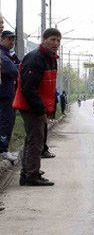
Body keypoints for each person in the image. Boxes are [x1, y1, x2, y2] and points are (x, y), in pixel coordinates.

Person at [12, 28, 61, 186]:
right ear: (44, 39)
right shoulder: (36, 58)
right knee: (36, 142)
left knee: (33, 140)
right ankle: (31, 176)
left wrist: (50, 108)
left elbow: (48, 87)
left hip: (38, 106)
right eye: (52, 40)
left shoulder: (50, 58)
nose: (55, 43)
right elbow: (28, 88)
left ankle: (27, 173)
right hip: (30, 107)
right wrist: (40, 110)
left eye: (58, 40)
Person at [0, 29, 21, 163]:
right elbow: (14, 70)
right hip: (4, 94)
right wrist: (18, 66)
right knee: (5, 121)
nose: (12, 42)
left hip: (9, 93)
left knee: (8, 121)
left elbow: (20, 65)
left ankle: (4, 148)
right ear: (2, 39)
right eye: (9, 39)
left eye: (13, 39)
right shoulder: (2, 55)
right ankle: (2, 150)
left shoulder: (10, 54)